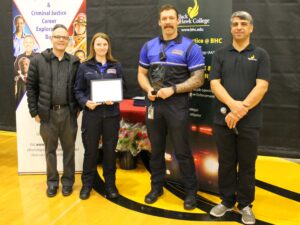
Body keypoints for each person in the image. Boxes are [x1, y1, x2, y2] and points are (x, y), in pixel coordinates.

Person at [137, 4, 205, 210]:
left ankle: (191, 192)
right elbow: (141, 74)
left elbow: (199, 79)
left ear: (178, 21)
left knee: (182, 150)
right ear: (159, 22)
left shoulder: (190, 46)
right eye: (164, 18)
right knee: (156, 149)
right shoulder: (148, 46)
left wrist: (173, 90)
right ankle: (156, 187)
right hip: (154, 104)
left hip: (177, 105)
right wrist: (148, 89)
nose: (167, 22)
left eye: (171, 18)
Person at [209, 11, 270, 224]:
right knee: (225, 162)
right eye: (235, 23)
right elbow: (214, 83)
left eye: (243, 23)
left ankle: (245, 204)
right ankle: (226, 200)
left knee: (246, 164)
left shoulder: (261, 54)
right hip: (223, 119)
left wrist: (241, 109)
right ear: (230, 28)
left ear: (251, 28)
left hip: (250, 122)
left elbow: (262, 86)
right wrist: (232, 106)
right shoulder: (220, 54)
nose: (239, 27)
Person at [27, 24, 80, 197]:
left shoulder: (74, 62)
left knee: (69, 150)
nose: (61, 40)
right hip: (47, 115)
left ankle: (68, 182)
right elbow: (31, 88)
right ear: (51, 39)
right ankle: (52, 183)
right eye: (57, 36)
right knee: (50, 150)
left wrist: (77, 108)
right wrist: (34, 111)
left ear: (68, 41)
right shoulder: (37, 60)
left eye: (64, 37)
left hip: (68, 114)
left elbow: (79, 87)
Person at [74, 32, 123, 200]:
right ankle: (87, 184)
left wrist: (115, 99)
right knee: (91, 152)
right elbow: (78, 90)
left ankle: (110, 185)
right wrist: (86, 102)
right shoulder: (84, 66)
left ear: (108, 46)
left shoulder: (116, 66)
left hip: (111, 115)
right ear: (93, 47)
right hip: (91, 115)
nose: (101, 47)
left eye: (104, 44)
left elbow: (123, 89)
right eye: (98, 44)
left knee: (110, 152)